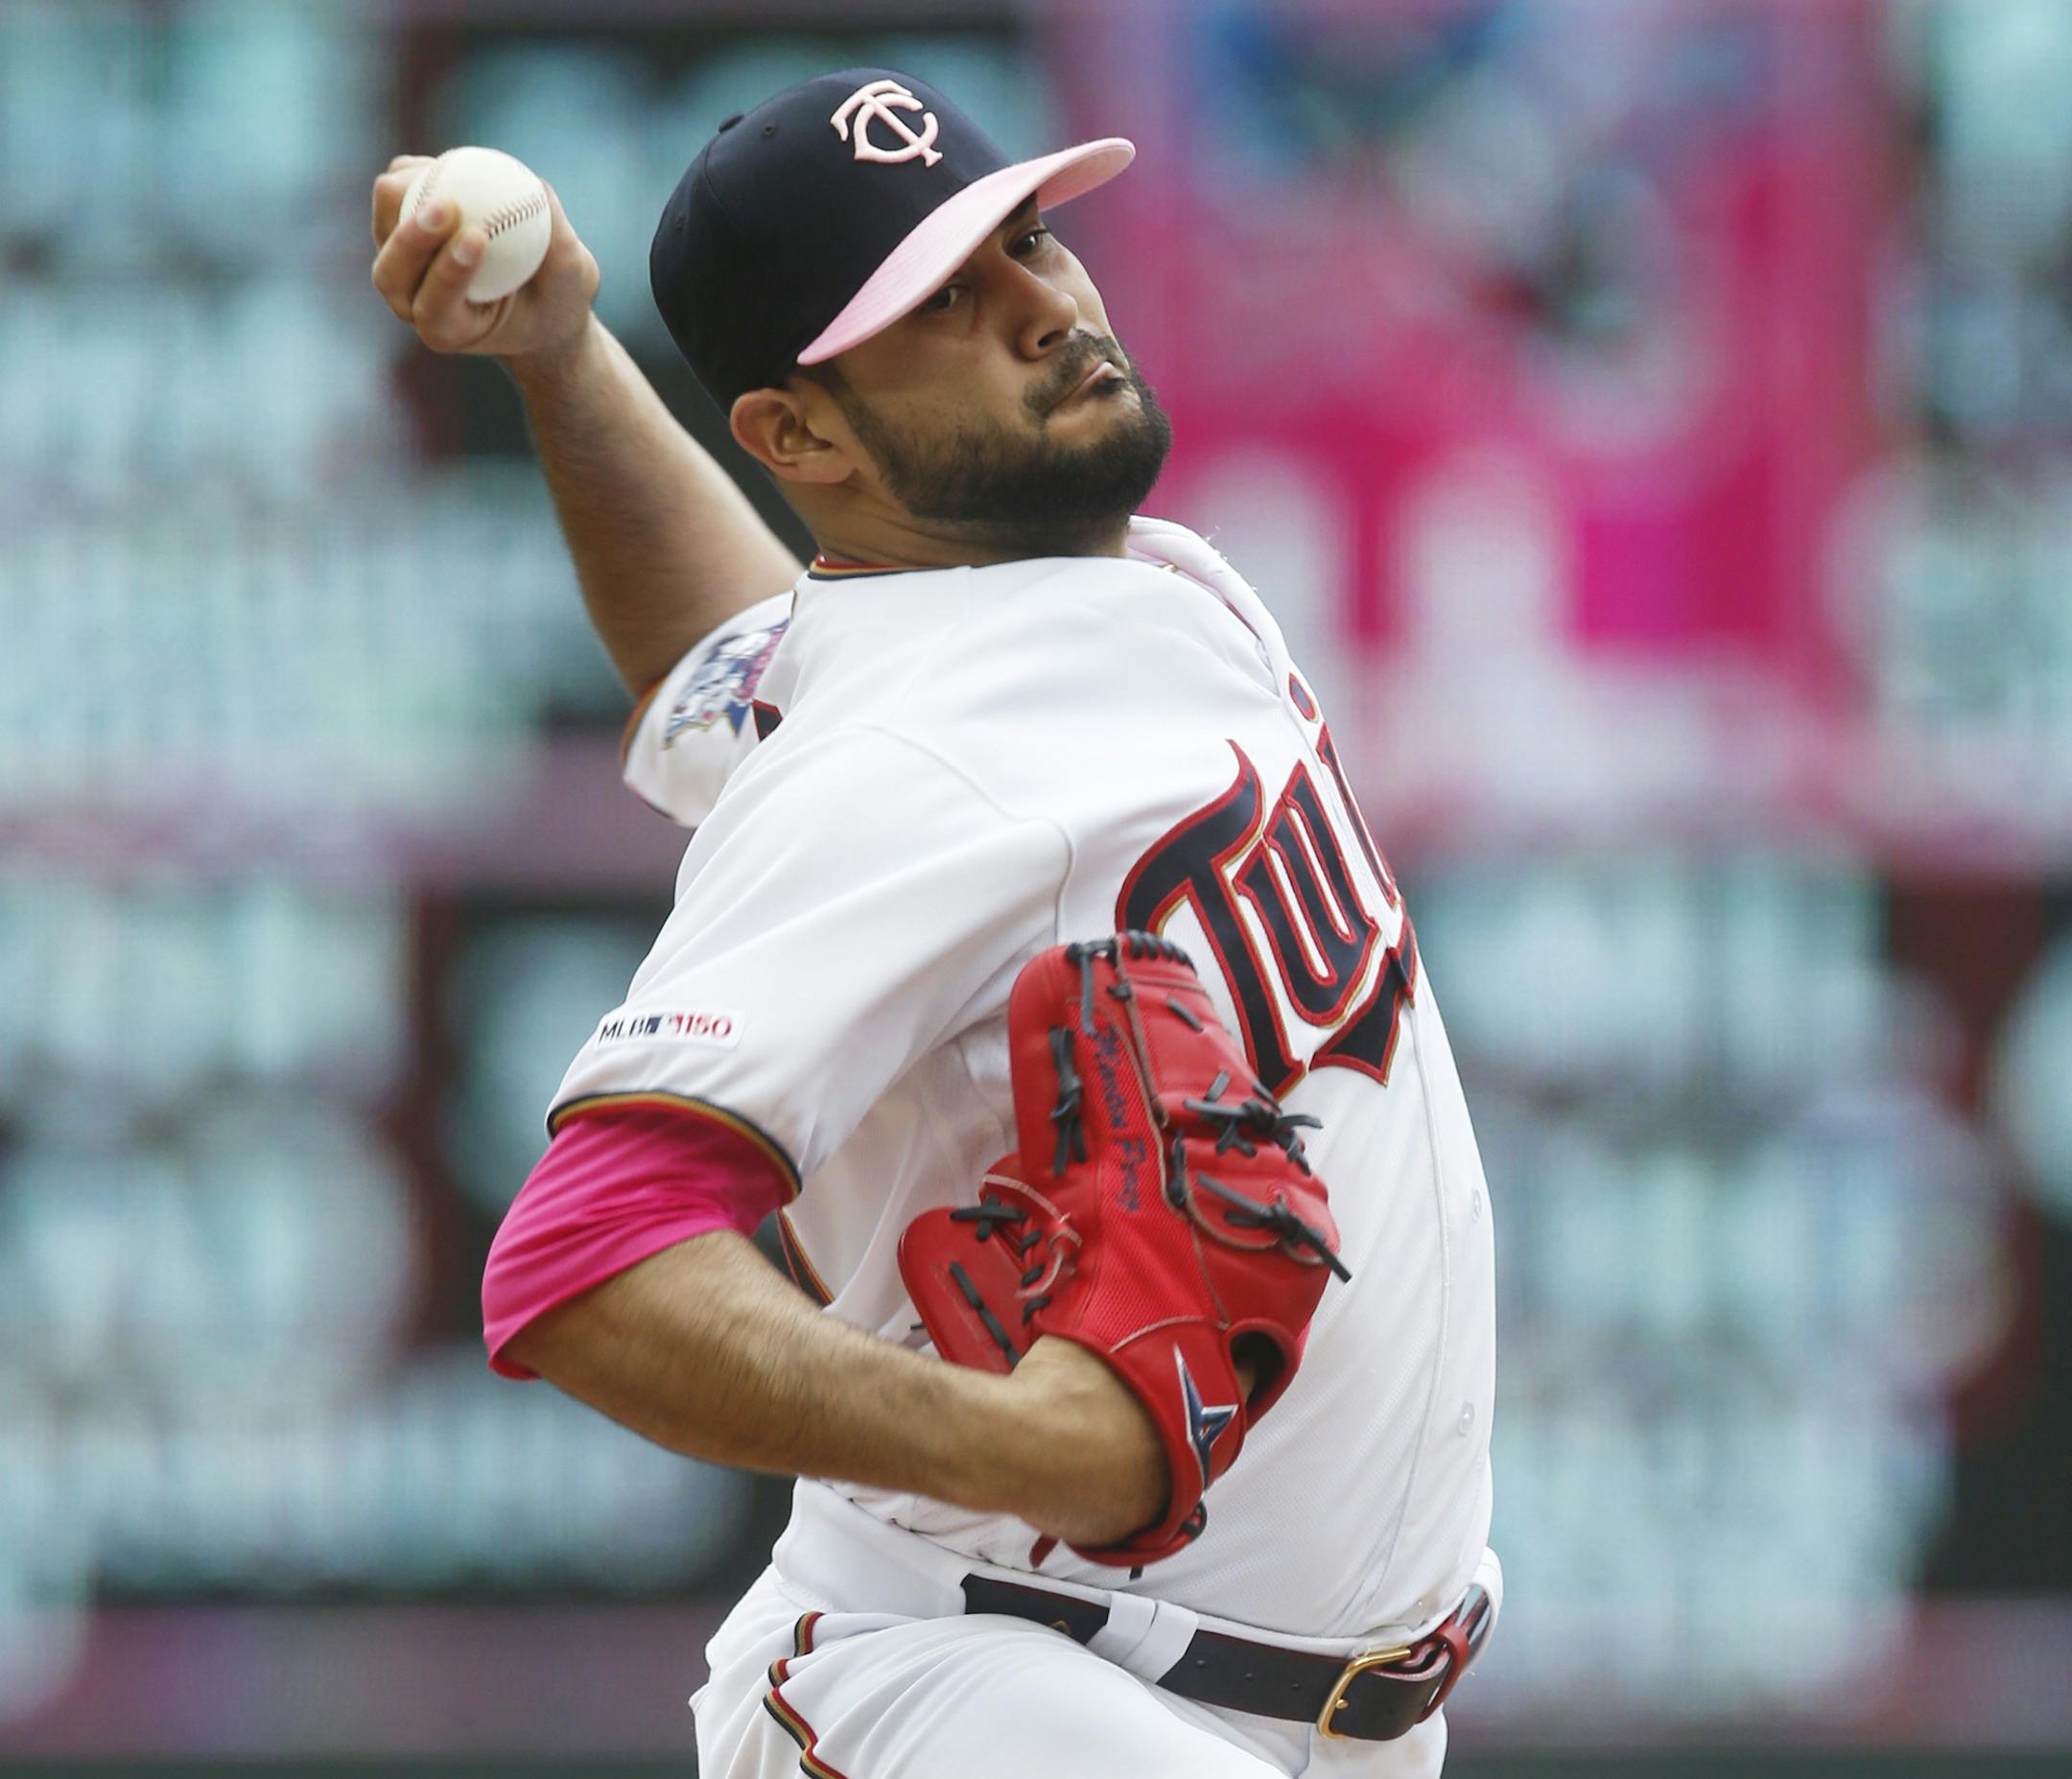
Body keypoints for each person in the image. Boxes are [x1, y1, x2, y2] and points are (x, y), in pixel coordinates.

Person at [369, 67, 1497, 1779]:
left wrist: (558, 354)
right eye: (943, 303)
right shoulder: (899, 763)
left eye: (1027, 239)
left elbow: (718, 672)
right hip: (993, 1687)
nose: (1044, 308)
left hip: (1298, 1714)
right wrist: (1027, 1444)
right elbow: (581, 1260)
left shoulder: (1121, 586)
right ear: (799, 435)